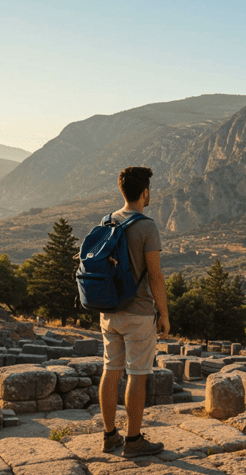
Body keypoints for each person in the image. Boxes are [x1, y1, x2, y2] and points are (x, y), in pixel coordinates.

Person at [99, 166, 170, 457]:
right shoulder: (147, 226)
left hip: (108, 312)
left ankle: (109, 436)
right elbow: (155, 276)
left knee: (110, 371)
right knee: (137, 376)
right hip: (139, 313)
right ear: (144, 192)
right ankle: (134, 441)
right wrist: (163, 314)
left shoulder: (106, 221)